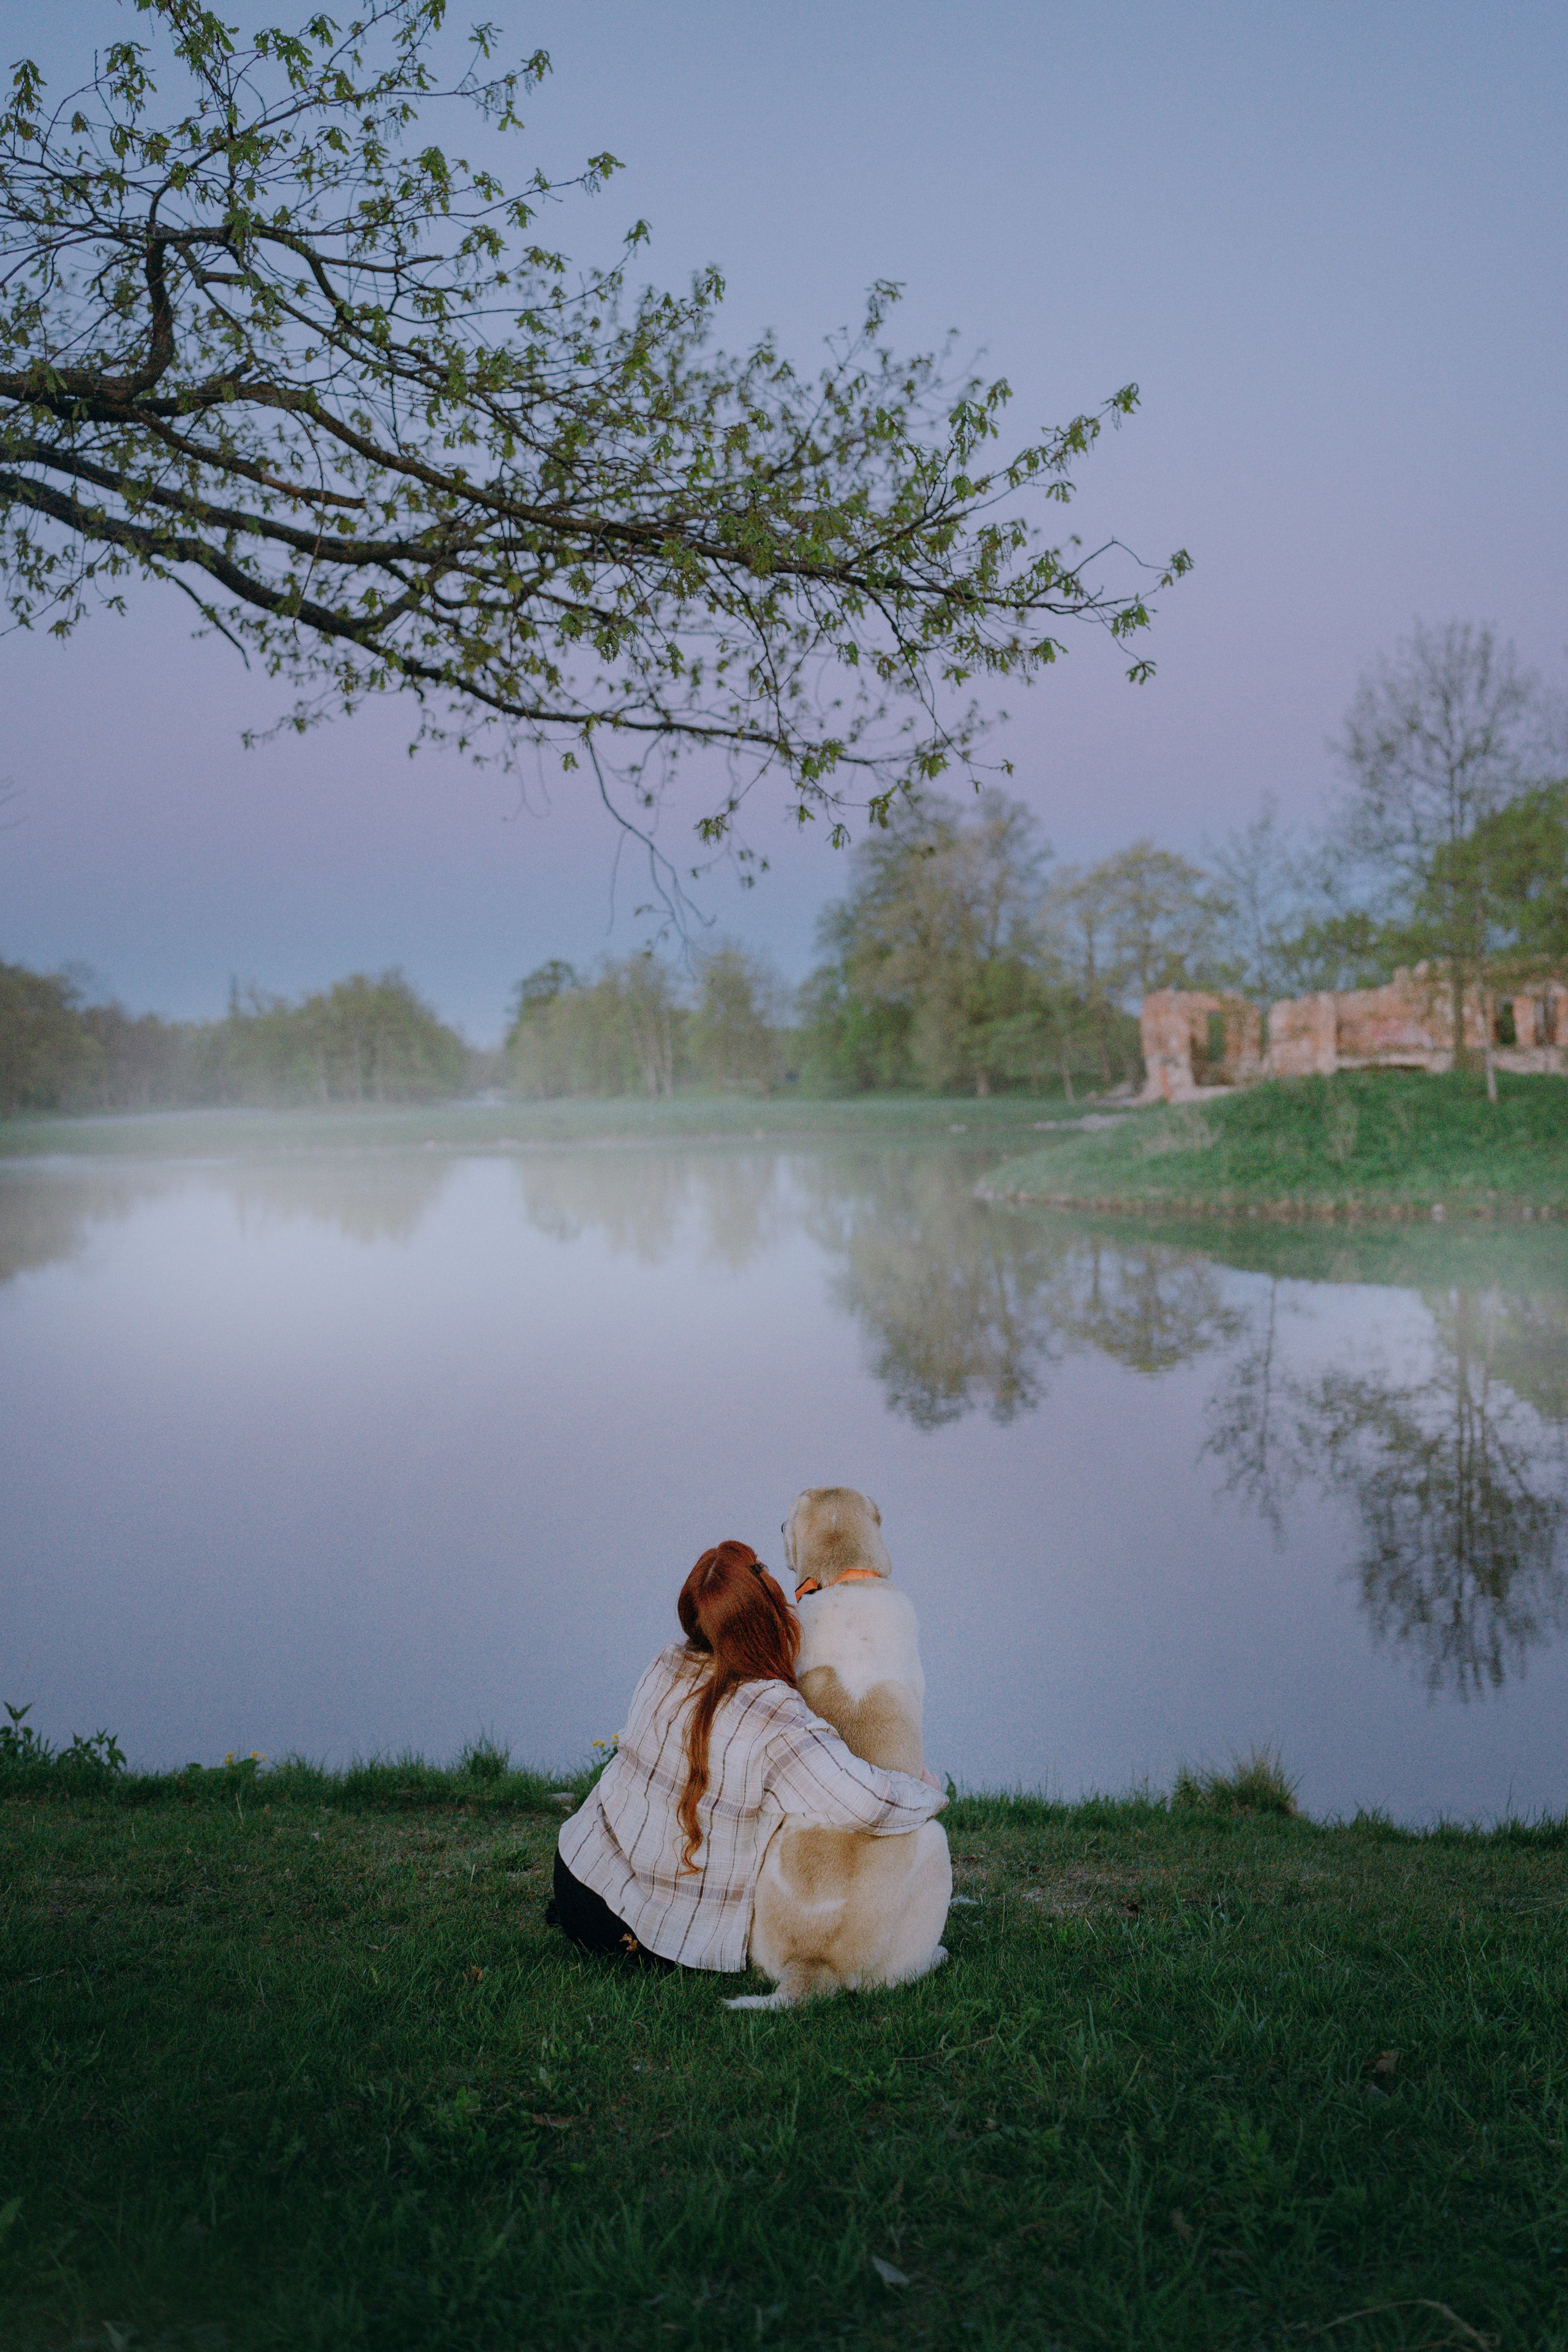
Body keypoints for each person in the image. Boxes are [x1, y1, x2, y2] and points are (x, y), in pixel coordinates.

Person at [549, 1537, 946, 1973]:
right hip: (649, 1935)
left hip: (576, 1875)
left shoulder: (664, 1664)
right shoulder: (776, 1718)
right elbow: (867, 1803)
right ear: (770, 1614)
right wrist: (926, 1791)